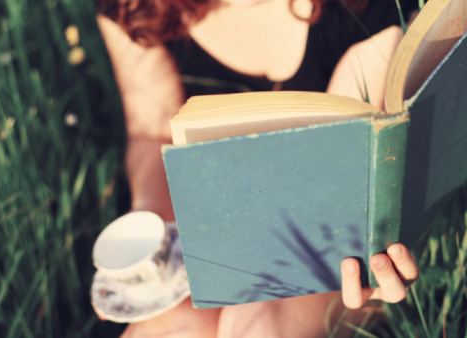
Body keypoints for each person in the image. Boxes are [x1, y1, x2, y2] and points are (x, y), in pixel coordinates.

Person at [95, 0, 419, 336]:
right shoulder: (135, 6)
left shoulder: (366, 10)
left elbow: (348, 183)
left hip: (315, 244)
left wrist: (364, 263)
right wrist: (148, 230)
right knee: (172, 330)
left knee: (258, 328)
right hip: (208, 228)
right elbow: (152, 131)